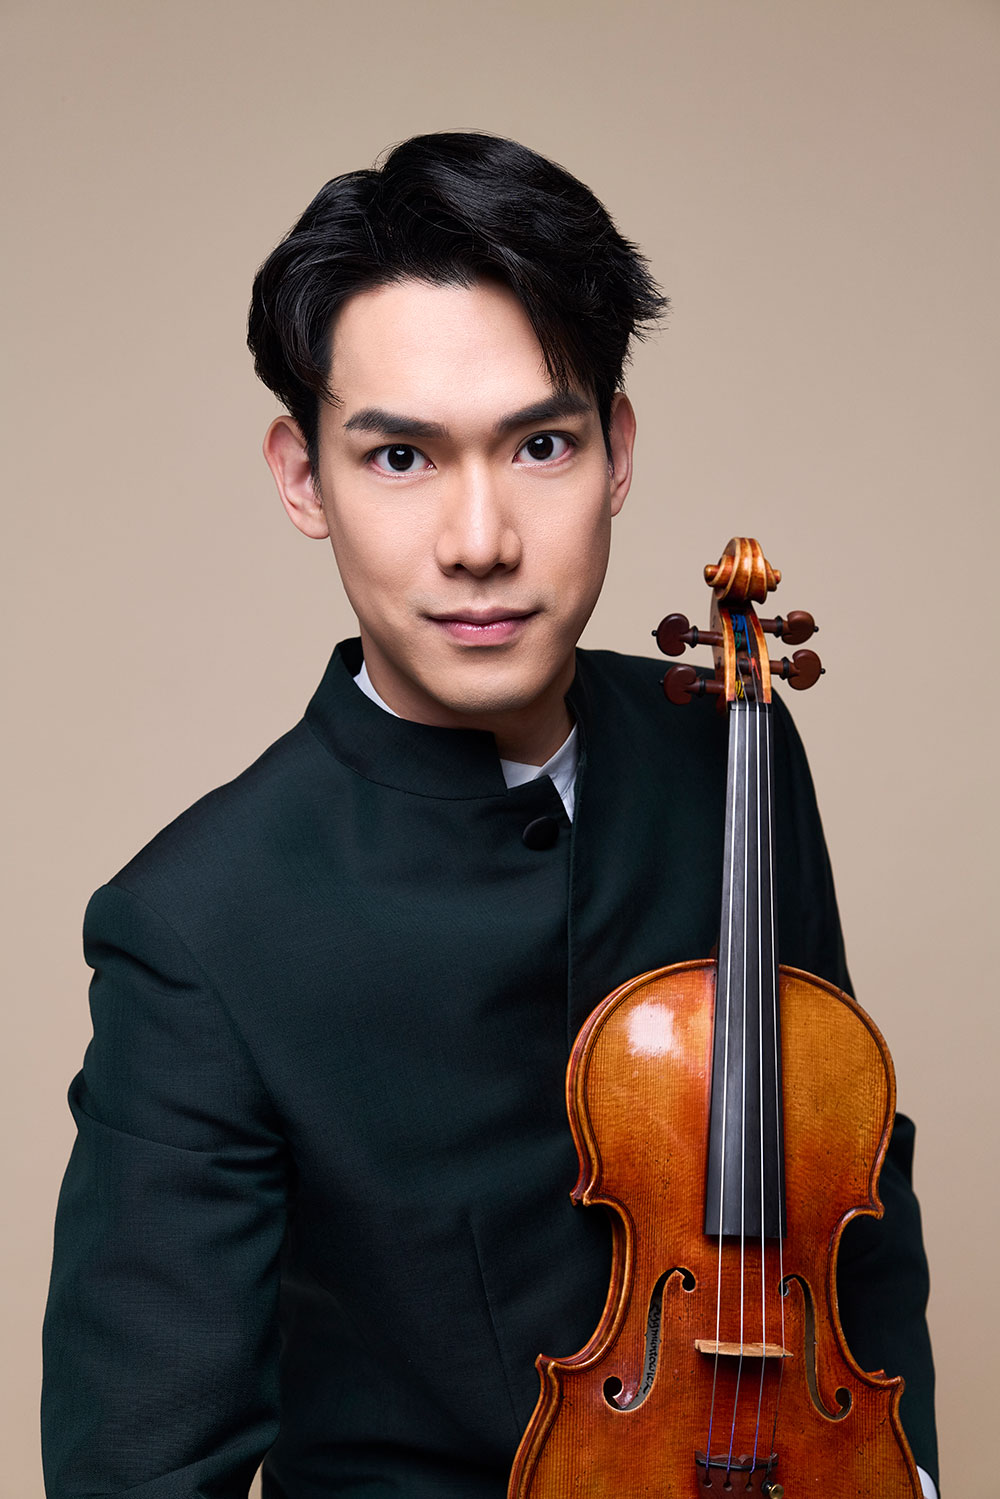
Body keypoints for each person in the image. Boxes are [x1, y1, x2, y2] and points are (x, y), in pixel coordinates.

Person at [42, 132, 938, 1499]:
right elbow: (140, 1465)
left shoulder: (733, 748)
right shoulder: (196, 927)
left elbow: (847, 1193)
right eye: (401, 456)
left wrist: (890, 1473)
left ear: (617, 452)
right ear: (304, 478)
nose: (480, 541)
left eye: (541, 444)